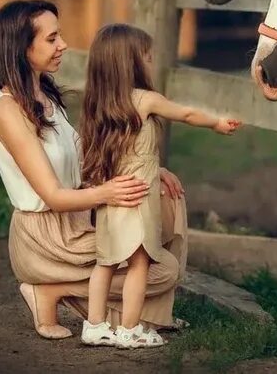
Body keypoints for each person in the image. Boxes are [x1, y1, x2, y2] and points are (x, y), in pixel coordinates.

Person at [0, 0, 189, 340]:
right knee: (160, 270)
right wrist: (108, 193)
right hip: (46, 234)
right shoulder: (7, 109)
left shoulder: (44, 94)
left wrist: (150, 169)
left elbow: (86, 156)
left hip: (78, 217)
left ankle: (138, 317)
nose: (63, 44)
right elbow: (52, 195)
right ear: (21, 47)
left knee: (167, 201)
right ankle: (50, 290)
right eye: (51, 38)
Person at [80, 23, 241, 348]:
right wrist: (216, 123)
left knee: (105, 263)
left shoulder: (98, 106)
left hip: (111, 200)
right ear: (131, 63)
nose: (151, 63)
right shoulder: (145, 100)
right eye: (147, 57)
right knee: (140, 264)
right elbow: (187, 114)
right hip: (138, 200)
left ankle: (94, 326)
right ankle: (129, 330)